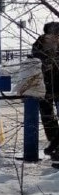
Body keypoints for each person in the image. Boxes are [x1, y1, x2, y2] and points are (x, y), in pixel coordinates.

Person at [32, 22, 59, 157]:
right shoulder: (39, 45)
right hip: (45, 87)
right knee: (48, 118)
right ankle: (55, 145)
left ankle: (55, 146)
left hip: (55, 86)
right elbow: (35, 60)